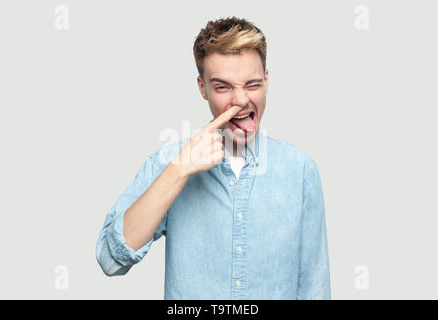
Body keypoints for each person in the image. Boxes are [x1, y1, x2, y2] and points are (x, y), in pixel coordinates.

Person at [96, 16, 331, 300]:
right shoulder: (168, 163)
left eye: (252, 85)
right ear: (202, 87)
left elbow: (314, 288)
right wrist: (179, 170)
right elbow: (111, 259)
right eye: (223, 87)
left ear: (267, 82)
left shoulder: (300, 169)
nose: (241, 101)